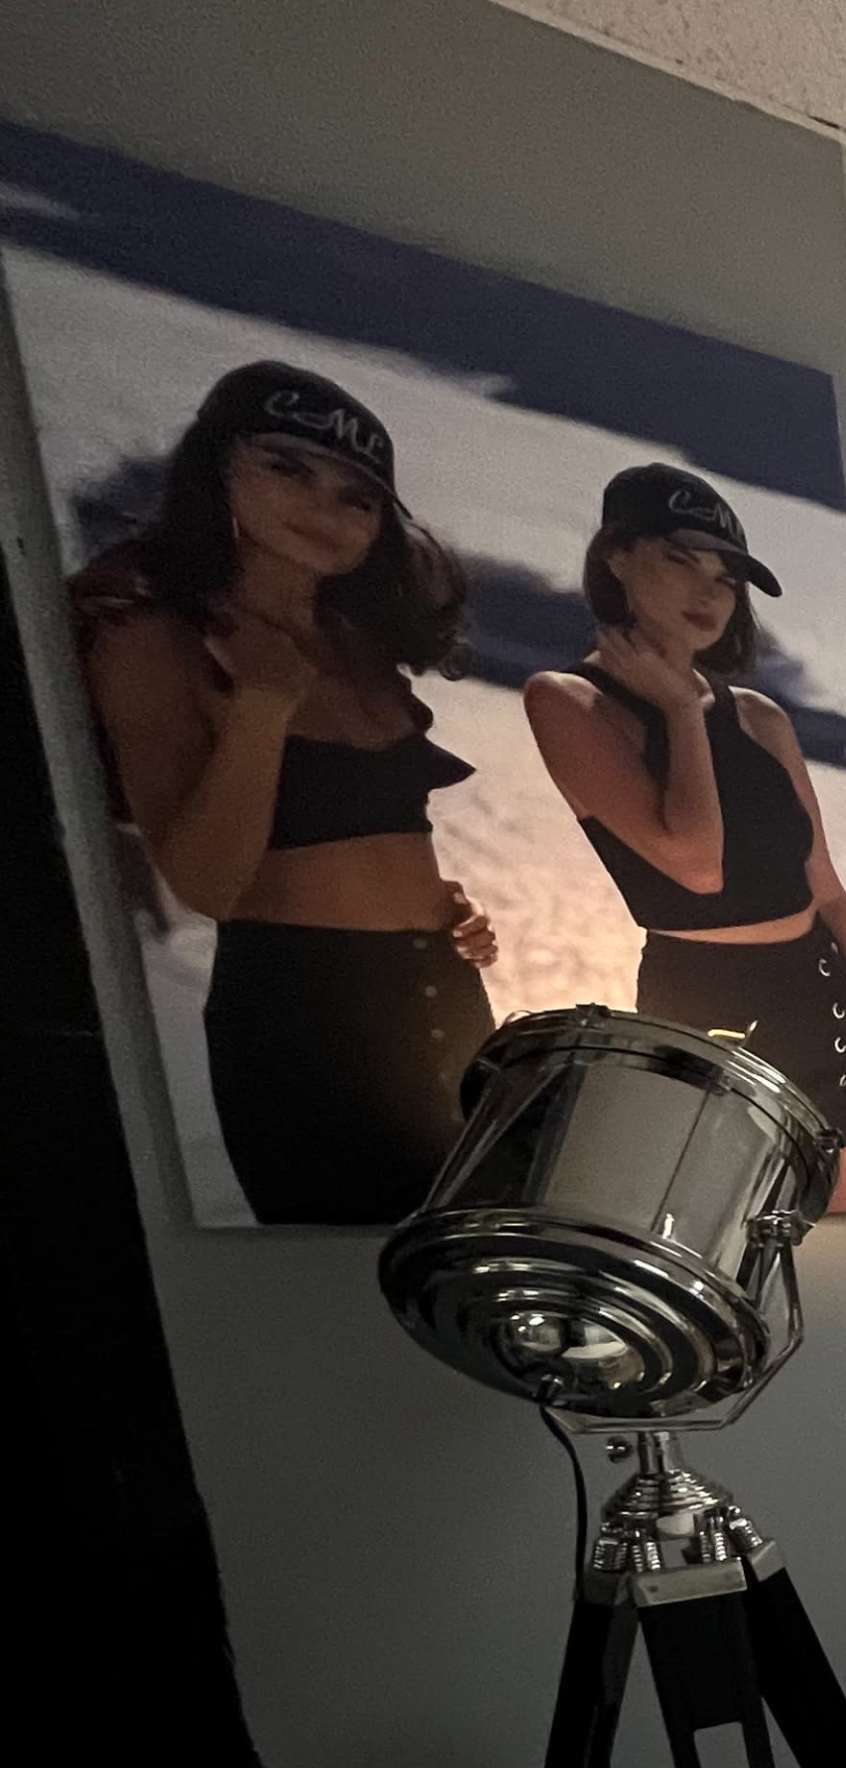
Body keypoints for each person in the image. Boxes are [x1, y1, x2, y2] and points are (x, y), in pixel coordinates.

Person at [74, 361, 500, 1225]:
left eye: (358, 497)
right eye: (288, 468)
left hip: (445, 994)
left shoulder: (357, 640)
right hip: (306, 1018)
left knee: (480, 1269)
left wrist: (437, 904)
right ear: (218, 467)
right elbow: (205, 884)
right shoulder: (153, 639)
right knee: (347, 1297)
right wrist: (263, 707)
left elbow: (367, 827)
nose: (324, 508)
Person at [525, 463, 846, 1210]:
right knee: (719, 1241)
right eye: (679, 560)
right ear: (616, 558)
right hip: (705, 1003)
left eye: (726, 580)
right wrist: (680, 711)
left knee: (834, 1262)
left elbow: (825, 888)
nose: (708, 593)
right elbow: (697, 867)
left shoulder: (762, 716)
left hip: (822, 998)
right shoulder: (569, 701)